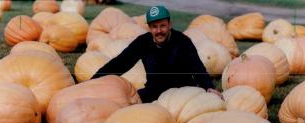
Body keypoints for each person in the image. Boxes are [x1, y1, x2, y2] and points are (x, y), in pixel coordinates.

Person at [92, 5, 222, 102]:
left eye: (162, 25)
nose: (159, 30)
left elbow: (197, 67)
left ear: (169, 25)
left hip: (181, 94)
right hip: (153, 93)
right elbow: (120, 63)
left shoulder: (182, 41)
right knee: (127, 103)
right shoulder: (143, 42)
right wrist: (94, 81)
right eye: (154, 26)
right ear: (149, 28)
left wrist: (208, 87)